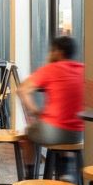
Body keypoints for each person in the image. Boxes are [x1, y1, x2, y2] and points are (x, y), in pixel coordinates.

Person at [17, 35, 85, 175]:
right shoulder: (83, 69)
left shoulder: (51, 68)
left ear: (57, 52)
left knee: (27, 135)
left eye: (51, 50)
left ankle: (30, 176)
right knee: (63, 141)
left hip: (52, 132)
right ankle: (65, 174)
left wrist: (35, 111)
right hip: (78, 134)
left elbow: (22, 90)